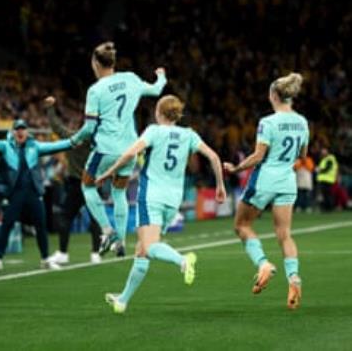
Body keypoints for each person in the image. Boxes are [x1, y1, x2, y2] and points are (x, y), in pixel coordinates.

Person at [99, 95, 226, 313]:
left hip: (151, 196)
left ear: (159, 112)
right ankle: (123, 300)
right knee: (142, 250)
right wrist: (220, 185)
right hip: (173, 199)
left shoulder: (154, 131)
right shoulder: (189, 135)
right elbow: (214, 157)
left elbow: (131, 152)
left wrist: (109, 172)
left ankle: (183, 260)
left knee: (148, 246)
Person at [70, 42, 167, 256]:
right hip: (129, 149)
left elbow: (89, 127)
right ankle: (121, 241)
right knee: (119, 192)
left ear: (96, 63)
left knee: (87, 186)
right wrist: (162, 76)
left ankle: (107, 231)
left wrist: (74, 140)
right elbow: (157, 89)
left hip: (105, 149)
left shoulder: (95, 91)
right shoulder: (130, 79)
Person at [224, 72, 309, 310]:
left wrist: (237, 168)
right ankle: (293, 277)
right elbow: (302, 156)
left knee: (242, 225)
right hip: (287, 181)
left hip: (265, 180)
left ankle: (263, 264)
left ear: (273, 95)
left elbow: (258, 156)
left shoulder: (267, 122)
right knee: (284, 233)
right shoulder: (302, 122)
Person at [0, 119, 72, 270]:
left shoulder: (34, 147)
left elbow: (55, 146)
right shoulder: (6, 146)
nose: (20, 132)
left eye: (23, 129)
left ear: (27, 132)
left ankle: (45, 258)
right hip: (15, 194)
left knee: (41, 225)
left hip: (33, 192)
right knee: (7, 225)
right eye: (17, 129)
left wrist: (73, 142)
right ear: (13, 132)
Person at [43, 96, 102, 264]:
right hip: (91, 183)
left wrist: (50, 109)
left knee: (65, 217)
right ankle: (95, 254)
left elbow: (56, 127)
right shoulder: (96, 142)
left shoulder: (73, 137)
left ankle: (63, 252)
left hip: (76, 183)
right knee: (95, 219)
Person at [315, 146, 338, 212]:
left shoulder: (329, 159)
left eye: (324, 150)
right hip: (325, 179)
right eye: (322, 150)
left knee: (327, 194)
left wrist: (319, 170)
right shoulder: (325, 159)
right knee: (326, 194)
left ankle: (328, 208)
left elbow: (328, 168)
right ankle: (327, 208)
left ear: (327, 151)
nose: (322, 152)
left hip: (327, 179)